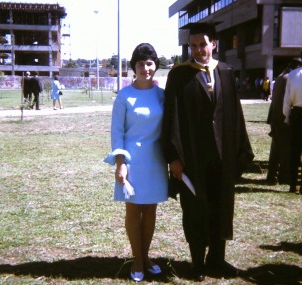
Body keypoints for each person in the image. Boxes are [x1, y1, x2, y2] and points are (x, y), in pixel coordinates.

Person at [161, 22, 254, 281]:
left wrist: (238, 153)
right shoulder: (179, 75)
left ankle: (217, 258)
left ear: (214, 43)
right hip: (192, 157)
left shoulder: (225, 71)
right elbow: (172, 119)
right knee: (195, 209)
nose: (198, 50)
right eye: (193, 45)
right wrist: (174, 158)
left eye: (203, 44)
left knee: (220, 207)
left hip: (222, 156)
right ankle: (197, 263)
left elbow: (234, 114)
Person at [104, 43, 168, 282]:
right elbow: (116, 132)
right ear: (134, 67)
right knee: (133, 209)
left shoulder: (162, 95)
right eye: (140, 64)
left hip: (156, 160)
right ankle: (137, 259)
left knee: (150, 209)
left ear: (156, 65)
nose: (145, 68)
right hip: (132, 161)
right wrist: (120, 162)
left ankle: (146, 255)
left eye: (149, 63)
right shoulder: (124, 96)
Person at [266, 58, 302, 185]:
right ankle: (284, 177)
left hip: (275, 118)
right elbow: (287, 101)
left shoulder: (281, 77)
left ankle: (271, 176)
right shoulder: (289, 78)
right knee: (287, 150)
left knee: (275, 148)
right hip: (283, 118)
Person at [283, 61, 302, 194]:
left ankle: (292, 184)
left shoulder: (293, 74)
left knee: (294, 150)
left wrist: (287, 116)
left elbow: (287, 99)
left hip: (296, 114)